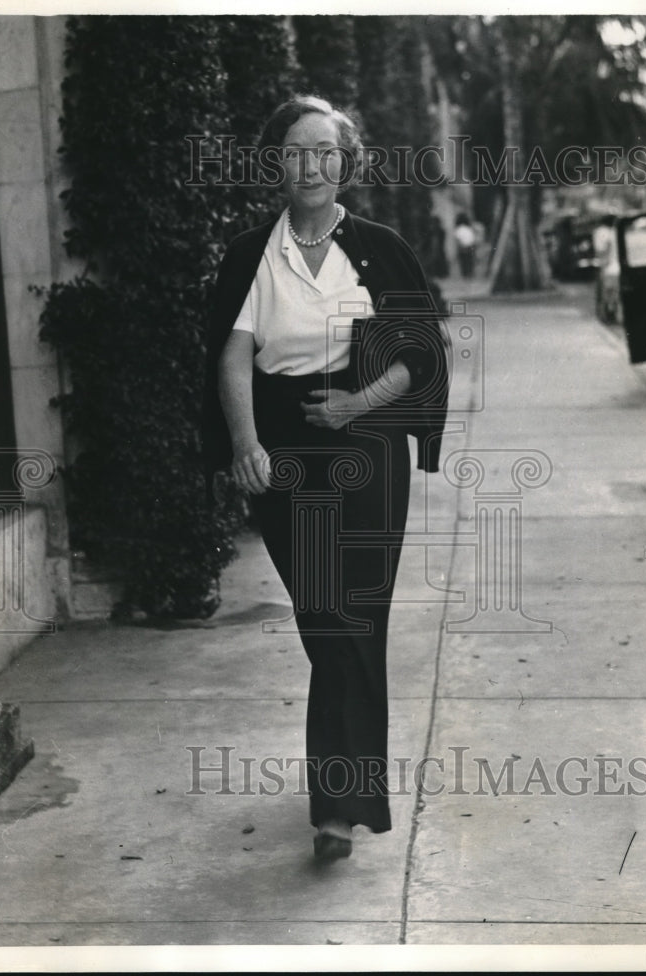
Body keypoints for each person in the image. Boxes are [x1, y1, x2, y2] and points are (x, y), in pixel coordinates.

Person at [202, 96, 448, 860]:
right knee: (321, 618)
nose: (310, 165)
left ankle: (338, 808)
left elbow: (419, 352)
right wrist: (244, 443)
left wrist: (358, 402)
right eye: (295, 152)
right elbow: (233, 351)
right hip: (283, 453)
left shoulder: (376, 247)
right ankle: (344, 785)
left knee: (357, 619)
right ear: (276, 163)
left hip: (367, 447)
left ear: (345, 163)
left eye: (325, 151)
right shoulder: (250, 253)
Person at [453, 212, 476, 278]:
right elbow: (472, 239)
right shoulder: (469, 229)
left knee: (463, 261)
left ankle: (465, 274)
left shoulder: (458, 229)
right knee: (469, 261)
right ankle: (470, 274)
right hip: (470, 246)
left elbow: (458, 240)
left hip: (463, 247)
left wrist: (459, 248)